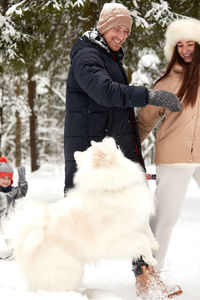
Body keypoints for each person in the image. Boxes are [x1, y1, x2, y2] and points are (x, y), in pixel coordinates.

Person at [64, 3, 181, 299]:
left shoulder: (108, 55)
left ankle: (145, 279)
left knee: (136, 207)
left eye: (127, 30)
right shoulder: (87, 54)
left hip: (114, 148)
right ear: (103, 25)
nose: (122, 35)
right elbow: (104, 92)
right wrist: (149, 96)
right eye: (117, 28)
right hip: (93, 153)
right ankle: (60, 275)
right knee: (81, 215)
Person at [136, 17, 200, 297]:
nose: (186, 49)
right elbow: (145, 120)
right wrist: (129, 150)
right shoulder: (168, 81)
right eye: (180, 45)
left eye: (191, 44)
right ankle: (149, 278)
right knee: (165, 218)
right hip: (174, 157)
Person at [0, 156, 28, 259]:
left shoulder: (13, 191)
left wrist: (22, 179)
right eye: (3, 177)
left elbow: (22, 192)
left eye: (8, 178)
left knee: (10, 236)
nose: (6, 181)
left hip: (7, 220)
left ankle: (12, 251)